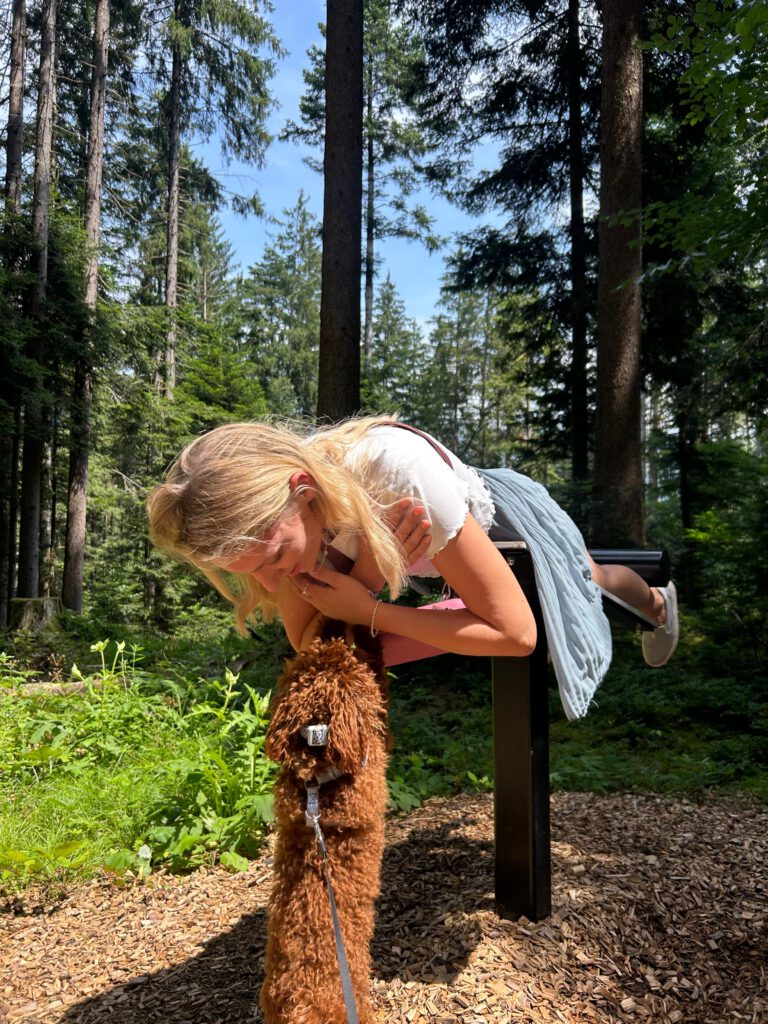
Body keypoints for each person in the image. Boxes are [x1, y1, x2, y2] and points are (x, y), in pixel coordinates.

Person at [147, 416, 679, 721]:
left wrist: (371, 613)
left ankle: (657, 604)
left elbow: (516, 635)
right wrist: (377, 577)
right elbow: (317, 647)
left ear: (304, 492)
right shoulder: (274, 518)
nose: (273, 583)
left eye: (275, 560)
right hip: (427, 550)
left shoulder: (400, 478)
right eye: (250, 574)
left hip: (503, 518)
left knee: (588, 581)